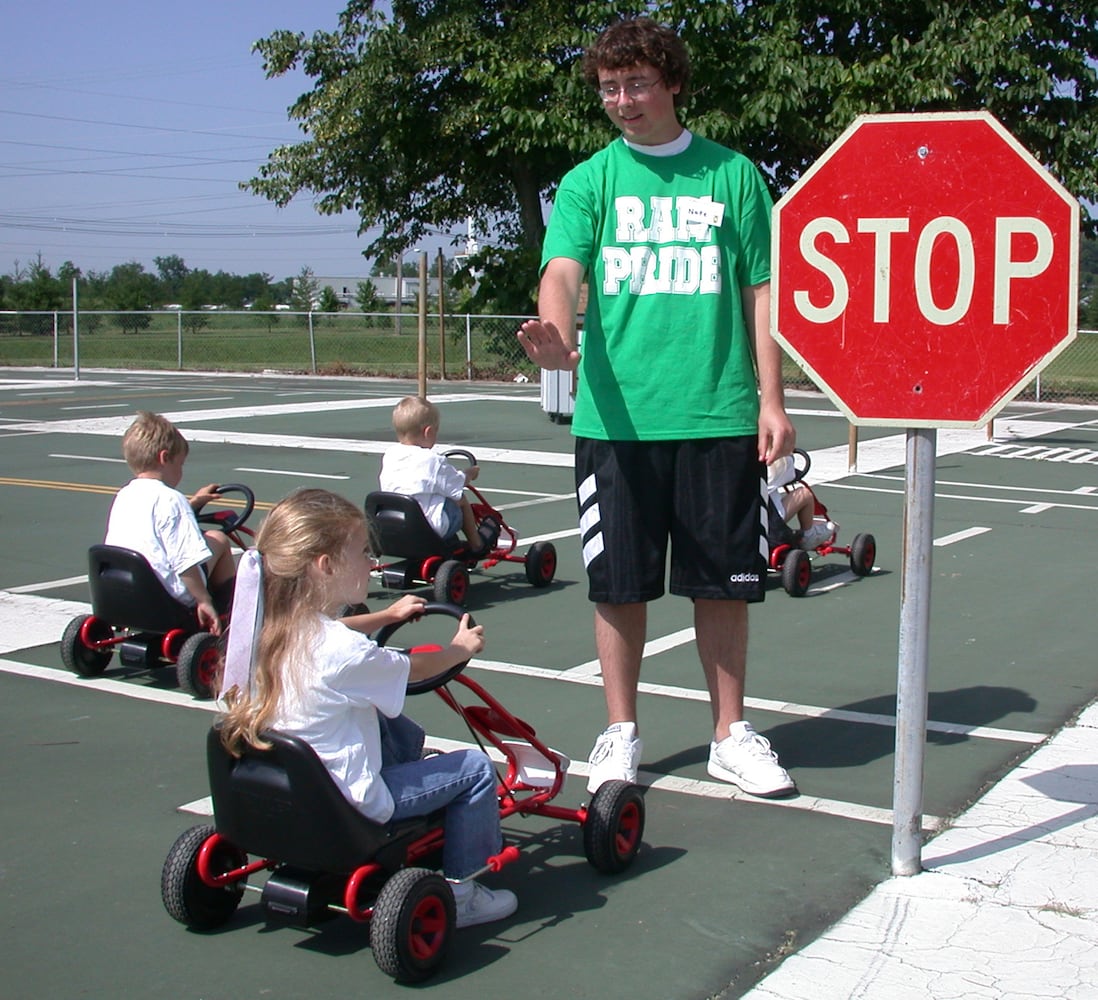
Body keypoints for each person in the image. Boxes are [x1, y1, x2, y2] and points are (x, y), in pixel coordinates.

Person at [517, 17, 796, 798]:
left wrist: (774, 398)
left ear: (672, 82)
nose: (623, 100)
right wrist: (555, 328)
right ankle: (620, 732)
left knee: (722, 585)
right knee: (618, 586)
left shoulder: (733, 176)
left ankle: (730, 735)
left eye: (637, 83)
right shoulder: (589, 182)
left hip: (719, 416)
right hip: (617, 423)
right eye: (609, 88)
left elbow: (760, 293)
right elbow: (563, 271)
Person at [217, 488, 517, 928]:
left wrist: (384, 617)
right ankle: (465, 891)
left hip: (286, 795)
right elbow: (412, 669)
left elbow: (329, 631)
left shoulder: (261, 633)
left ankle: (423, 795)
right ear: (326, 566)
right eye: (361, 552)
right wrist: (457, 648)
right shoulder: (344, 653)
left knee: (386, 723)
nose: (371, 562)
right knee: (472, 768)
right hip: (348, 805)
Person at [104, 411, 236, 636]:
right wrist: (203, 600)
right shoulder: (171, 498)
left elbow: (153, 526)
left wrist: (194, 504)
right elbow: (185, 560)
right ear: (164, 458)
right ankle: (228, 614)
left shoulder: (125, 494)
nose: (181, 472)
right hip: (168, 593)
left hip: (125, 589)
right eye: (180, 464)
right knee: (219, 539)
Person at [379, 395, 500, 555]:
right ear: (428, 432)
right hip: (427, 527)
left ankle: (449, 543)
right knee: (460, 499)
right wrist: (470, 473)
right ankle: (477, 544)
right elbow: (458, 482)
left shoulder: (390, 455)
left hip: (393, 523)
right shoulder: (432, 461)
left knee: (435, 499)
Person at [767, 455, 833, 550]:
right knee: (805, 493)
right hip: (771, 518)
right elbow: (792, 475)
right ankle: (808, 535)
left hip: (745, 513)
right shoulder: (778, 464)